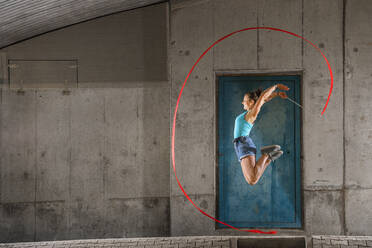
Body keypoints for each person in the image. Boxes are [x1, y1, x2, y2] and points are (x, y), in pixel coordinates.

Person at [233, 84, 289, 186]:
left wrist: (276, 86)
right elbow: (264, 99)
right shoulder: (248, 113)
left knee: (253, 179)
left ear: (251, 102)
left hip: (243, 143)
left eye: (244, 100)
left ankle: (266, 154)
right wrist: (276, 94)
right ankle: (268, 159)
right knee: (251, 181)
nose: (242, 102)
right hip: (240, 144)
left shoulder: (252, 114)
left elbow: (263, 96)